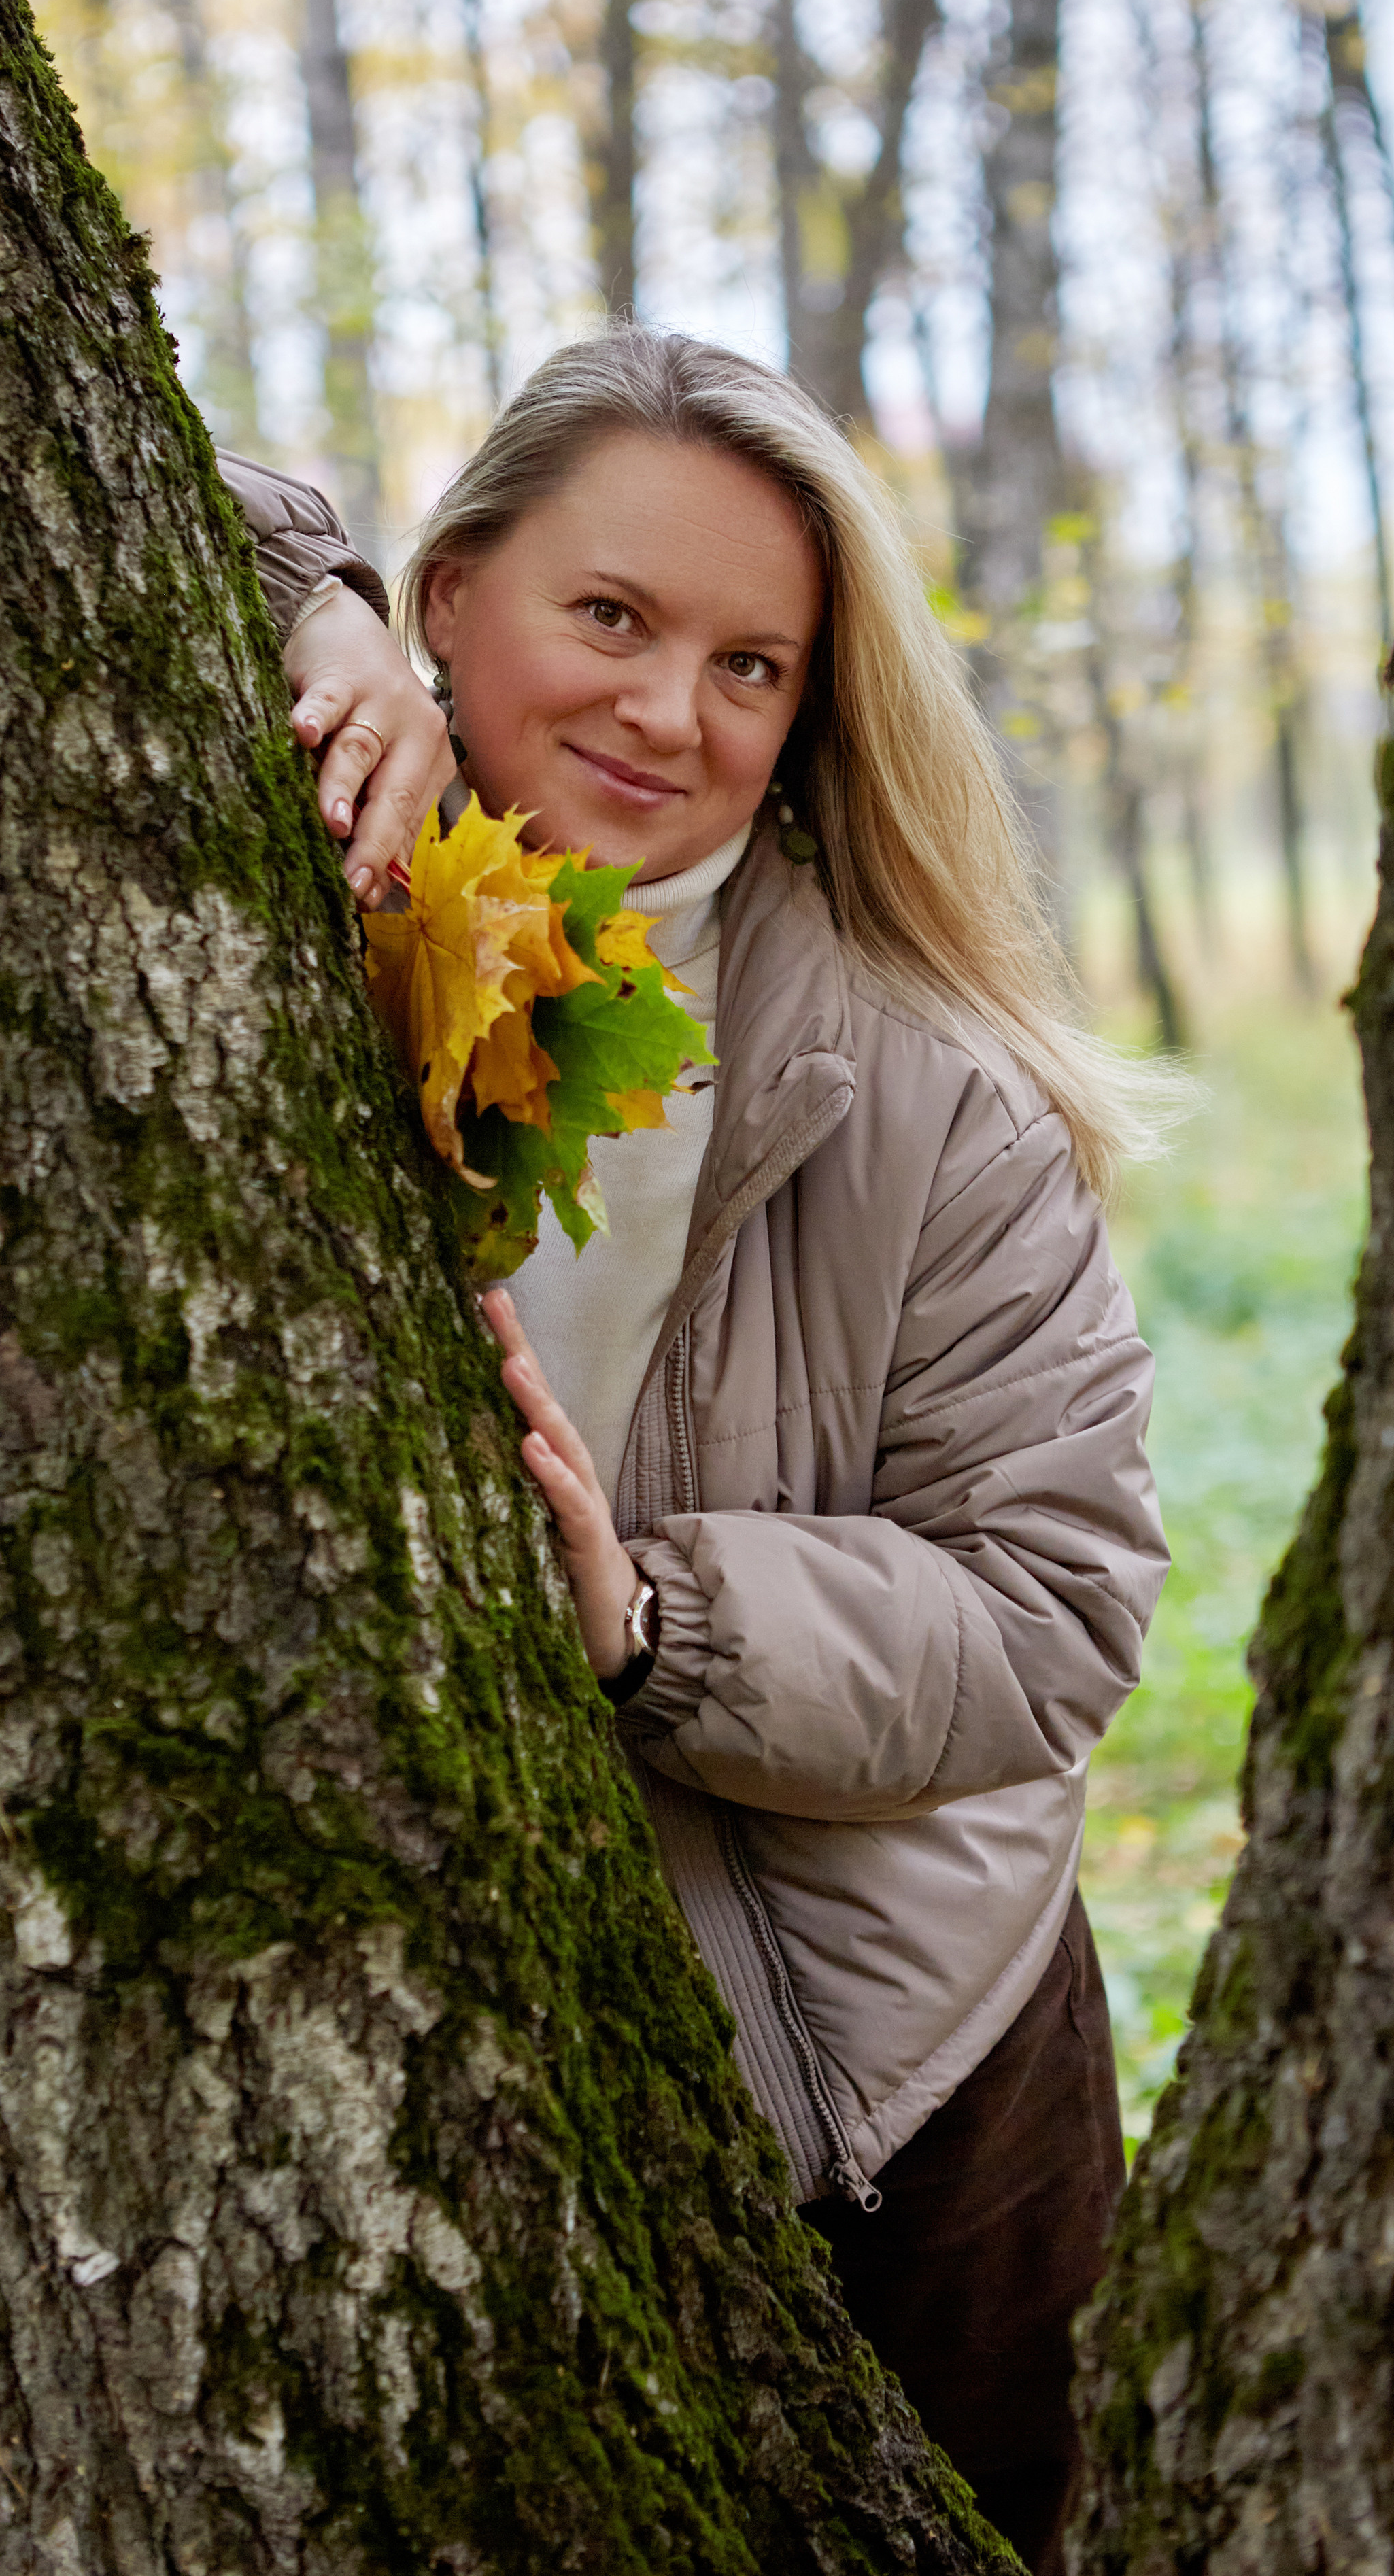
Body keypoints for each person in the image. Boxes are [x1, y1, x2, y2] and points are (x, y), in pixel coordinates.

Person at [217, 327, 1169, 2574]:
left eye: (751, 665)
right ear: (456, 592)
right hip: (468, 2040)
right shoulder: (282, 890)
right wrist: (304, 593)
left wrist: (645, 1617)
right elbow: (57, 417)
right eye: (611, 617)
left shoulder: (918, 1088)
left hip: (913, 2084)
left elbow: (1052, 1614)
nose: (671, 712)